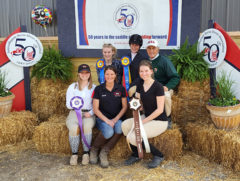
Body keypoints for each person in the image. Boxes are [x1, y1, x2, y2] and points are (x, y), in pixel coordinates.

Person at [122, 60, 168, 169]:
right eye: (141, 71)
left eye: (146, 71)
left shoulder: (158, 86)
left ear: (151, 71)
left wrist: (142, 122)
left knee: (134, 136)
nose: (144, 73)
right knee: (124, 126)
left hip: (159, 120)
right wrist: (136, 106)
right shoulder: (140, 85)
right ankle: (136, 154)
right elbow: (138, 102)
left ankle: (158, 155)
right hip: (146, 116)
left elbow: (160, 110)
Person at [90, 65, 127, 168]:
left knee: (120, 128)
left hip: (117, 118)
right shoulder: (98, 89)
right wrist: (107, 121)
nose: (109, 76)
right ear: (104, 75)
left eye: (112, 74)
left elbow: (124, 107)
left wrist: (115, 119)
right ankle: (94, 149)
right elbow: (95, 109)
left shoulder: (121, 88)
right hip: (102, 119)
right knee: (109, 132)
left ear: (115, 75)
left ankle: (104, 151)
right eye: (107, 74)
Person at [66, 64, 96, 166]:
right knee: (74, 128)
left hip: (88, 113)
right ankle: (74, 154)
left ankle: (86, 153)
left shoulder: (94, 88)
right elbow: (68, 103)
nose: (84, 74)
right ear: (78, 74)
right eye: (82, 72)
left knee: (87, 126)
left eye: (86, 72)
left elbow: (96, 104)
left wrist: (91, 113)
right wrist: (76, 107)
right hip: (74, 112)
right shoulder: (72, 87)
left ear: (89, 74)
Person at [146, 39, 180, 127]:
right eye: (149, 48)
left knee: (166, 96)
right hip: (149, 87)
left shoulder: (164, 61)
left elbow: (175, 77)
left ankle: (167, 118)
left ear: (158, 49)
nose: (151, 51)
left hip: (163, 87)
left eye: (153, 48)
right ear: (146, 50)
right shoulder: (145, 61)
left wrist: (167, 87)